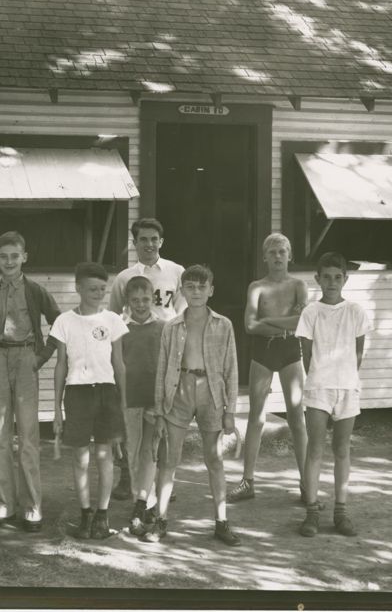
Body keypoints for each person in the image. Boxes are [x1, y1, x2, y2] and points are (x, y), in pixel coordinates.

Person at [143, 265, 241, 546]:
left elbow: (231, 369)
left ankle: (221, 522)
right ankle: (161, 520)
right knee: (168, 459)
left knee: (214, 459)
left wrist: (230, 410)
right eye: (190, 287)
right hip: (179, 392)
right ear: (182, 291)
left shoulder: (224, 324)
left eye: (201, 287)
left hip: (211, 393)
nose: (196, 292)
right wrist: (160, 410)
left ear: (211, 290)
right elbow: (163, 369)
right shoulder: (172, 326)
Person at [0, 231, 61, 532]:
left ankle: (32, 510)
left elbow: (58, 323)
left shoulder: (35, 291)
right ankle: (4, 508)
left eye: (15, 256)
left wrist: (42, 355)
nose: (9, 261)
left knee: (28, 436)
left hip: (26, 359)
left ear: (24, 257)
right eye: (3, 256)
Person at [228, 232, 309, 504]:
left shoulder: (299, 285)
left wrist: (269, 320)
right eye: (272, 252)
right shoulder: (257, 287)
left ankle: (306, 480)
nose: (277, 257)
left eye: (282, 252)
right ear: (264, 257)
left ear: (290, 256)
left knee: (297, 416)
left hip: (289, 350)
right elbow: (250, 326)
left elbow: (302, 323)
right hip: (263, 350)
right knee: (256, 416)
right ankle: (247, 481)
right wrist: (285, 321)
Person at [107, 217, 185, 499]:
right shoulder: (124, 278)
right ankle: (127, 477)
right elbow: (114, 316)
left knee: (161, 417)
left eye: (154, 239)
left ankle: (162, 479)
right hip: (135, 350)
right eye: (143, 239)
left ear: (161, 242)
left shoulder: (176, 272)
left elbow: (182, 314)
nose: (149, 244)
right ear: (134, 242)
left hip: (164, 349)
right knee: (129, 420)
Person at [295, 252, 372, 537]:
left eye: (337, 277)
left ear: (345, 279)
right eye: (326, 277)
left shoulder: (355, 311)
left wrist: (346, 378)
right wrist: (320, 377)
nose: (331, 282)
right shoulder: (310, 312)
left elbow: (359, 351)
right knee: (315, 448)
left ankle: (341, 511)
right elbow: (306, 354)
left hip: (347, 388)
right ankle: (312, 511)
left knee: (342, 449)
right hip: (319, 388)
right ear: (317, 279)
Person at [51, 262, 129, 540]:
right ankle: (85, 515)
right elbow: (61, 365)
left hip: (107, 392)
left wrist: (123, 400)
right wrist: (57, 408)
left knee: (104, 455)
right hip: (77, 394)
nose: (98, 293)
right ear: (78, 288)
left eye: (102, 289)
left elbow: (119, 364)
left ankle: (102, 516)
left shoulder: (113, 321)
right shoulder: (64, 321)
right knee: (81, 457)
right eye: (92, 288)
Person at [119, 276, 166, 536]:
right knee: (133, 452)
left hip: (154, 399)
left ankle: (144, 504)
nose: (140, 305)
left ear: (153, 298)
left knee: (151, 451)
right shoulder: (121, 329)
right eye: (135, 300)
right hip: (130, 399)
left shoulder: (163, 327)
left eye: (145, 299)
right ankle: (144, 500)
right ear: (128, 301)